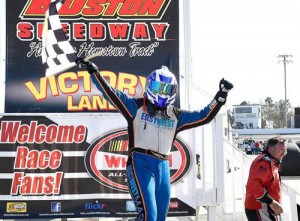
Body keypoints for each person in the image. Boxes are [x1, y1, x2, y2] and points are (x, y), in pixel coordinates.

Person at [80, 60, 233, 221]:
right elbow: (111, 93)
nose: (162, 92)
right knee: (149, 216)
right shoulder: (136, 107)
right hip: (140, 163)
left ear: (174, 91)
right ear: (149, 86)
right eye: (158, 87)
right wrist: (94, 73)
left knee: (160, 218)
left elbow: (203, 116)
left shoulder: (176, 115)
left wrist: (221, 96)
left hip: (163, 167)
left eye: (167, 89)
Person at [245, 137, 287, 221]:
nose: (283, 154)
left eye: (285, 151)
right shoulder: (264, 162)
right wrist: (272, 202)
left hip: (265, 209)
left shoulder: (270, 161)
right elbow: (253, 187)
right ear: (271, 149)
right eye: (281, 151)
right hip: (260, 208)